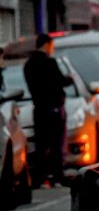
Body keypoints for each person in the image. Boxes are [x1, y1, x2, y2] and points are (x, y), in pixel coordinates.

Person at [24, 34, 73, 187]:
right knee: (56, 144)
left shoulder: (28, 65)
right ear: (46, 45)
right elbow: (60, 81)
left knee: (41, 145)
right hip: (54, 109)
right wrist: (69, 79)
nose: (52, 49)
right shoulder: (50, 63)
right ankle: (57, 176)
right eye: (51, 46)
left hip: (39, 109)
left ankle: (40, 178)